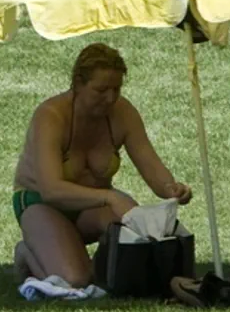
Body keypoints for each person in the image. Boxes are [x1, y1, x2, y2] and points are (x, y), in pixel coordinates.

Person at [13, 44, 193, 292]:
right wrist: (109, 196)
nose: (109, 98)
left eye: (116, 89)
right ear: (78, 83)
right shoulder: (51, 115)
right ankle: (27, 254)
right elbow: (51, 190)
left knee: (141, 235)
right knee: (75, 280)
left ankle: (93, 264)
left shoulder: (123, 112)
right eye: (100, 90)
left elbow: (149, 162)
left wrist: (172, 189)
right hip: (42, 204)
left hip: (92, 208)